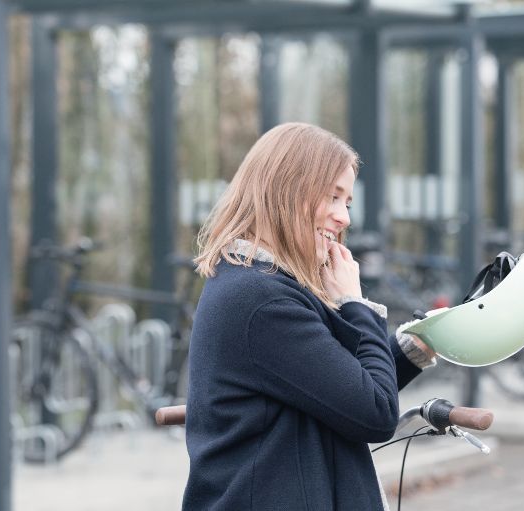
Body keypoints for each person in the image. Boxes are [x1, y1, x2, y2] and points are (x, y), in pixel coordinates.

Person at [182, 122, 437, 510]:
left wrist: (413, 346)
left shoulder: (259, 284)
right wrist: (356, 304)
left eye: (347, 202)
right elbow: (375, 412)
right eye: (333, 197)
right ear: (286, 191)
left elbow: (332, 387)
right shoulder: (262, 301)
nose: (344, 218)